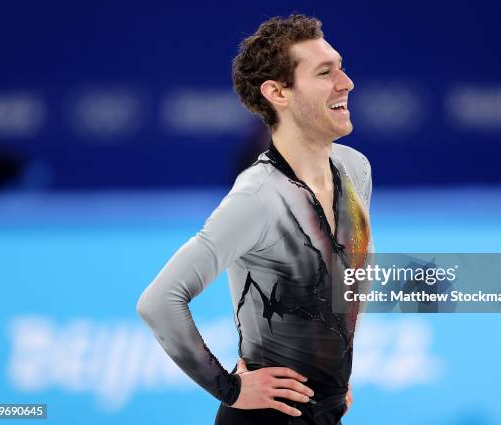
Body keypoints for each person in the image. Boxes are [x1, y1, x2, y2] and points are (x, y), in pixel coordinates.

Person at [136, 13, 373, 425]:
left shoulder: (355, 169)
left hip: (327, 411)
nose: (345, 82)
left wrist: (336, 373)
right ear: (277, 92)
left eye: (341, 66)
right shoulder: (258, 197)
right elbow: (158, 301)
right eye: (324, 72)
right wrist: (229, 388)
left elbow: (344, 275)